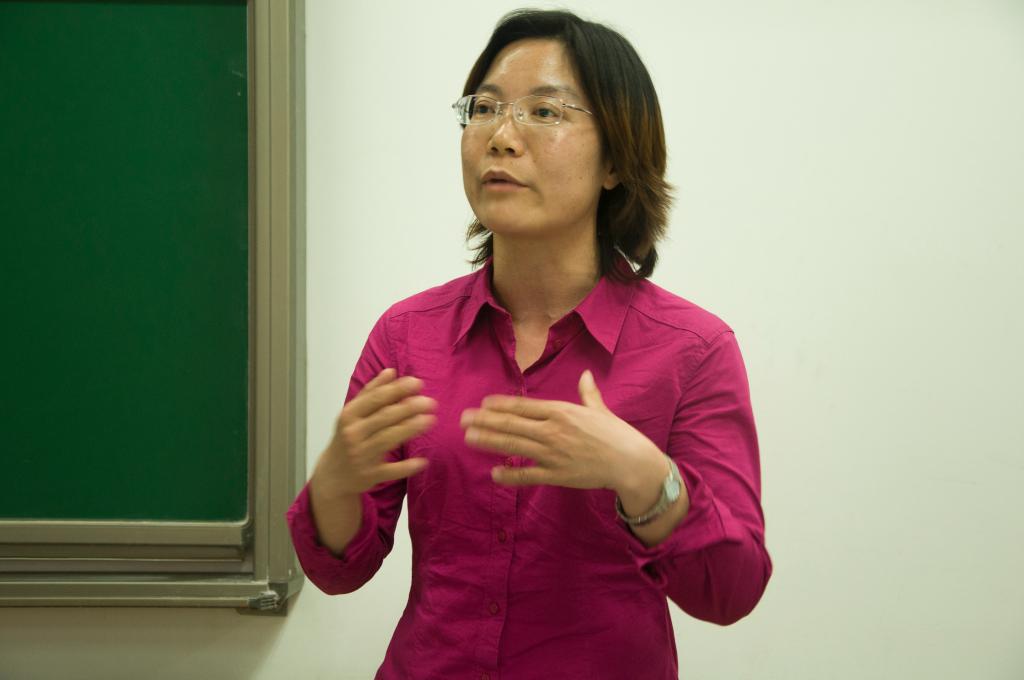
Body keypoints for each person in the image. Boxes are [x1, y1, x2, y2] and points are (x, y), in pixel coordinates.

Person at [287, 8, 771, 679]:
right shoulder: (407, 335)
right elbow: (340, 569)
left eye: (544, 112)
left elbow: (731, 590)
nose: (501, 137)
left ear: (615, 160)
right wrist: (335, 482)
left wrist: (643, 476)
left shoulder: (693, 349)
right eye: (484, 108)